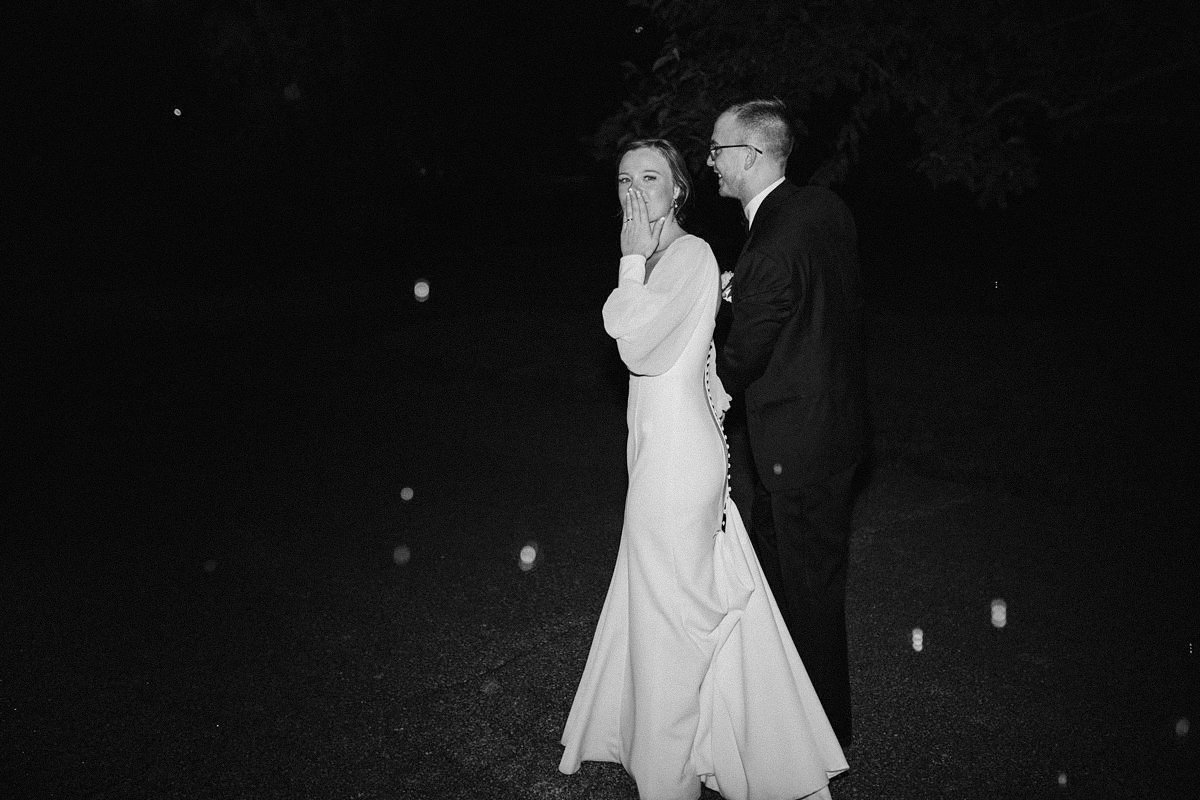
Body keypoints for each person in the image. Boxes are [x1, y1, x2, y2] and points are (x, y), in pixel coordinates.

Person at [559, 138, 847, 800]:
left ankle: (672, 776)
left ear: (678, 191)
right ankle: (693, 744)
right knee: (660, 599)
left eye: (650, 178)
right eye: (624, 179)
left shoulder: (688, 255)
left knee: (674, 615)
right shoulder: (668, 262)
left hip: (678, 464)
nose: (634, 190)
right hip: (656, 452)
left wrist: (630, 260)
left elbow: (633, 345)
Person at [708, 100, 866, 747]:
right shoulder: (823, 208)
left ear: (750, 156)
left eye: (717, 150)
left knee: (809, 592)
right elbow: (807, 296)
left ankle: (823, 734)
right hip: (837, 427)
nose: (711, 162)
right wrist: (742, 291)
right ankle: (784, 702)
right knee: (779, 567)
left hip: (797, 447)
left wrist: (705, 382)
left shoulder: (768, 249)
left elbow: (743, 358)